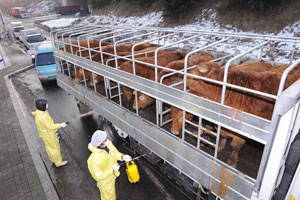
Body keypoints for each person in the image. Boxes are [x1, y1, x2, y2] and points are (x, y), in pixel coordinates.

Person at [87, 130, 132, 200]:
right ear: (99, 144)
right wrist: (112, 170)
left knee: (112, 192)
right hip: (105, 182)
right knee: (108, 197)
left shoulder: (108, 144)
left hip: (113, 176)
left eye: (106, 138)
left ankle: (113, 196)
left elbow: (114, 153)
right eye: (105, 140)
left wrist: (122, 157)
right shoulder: (94, 159)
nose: (108, 141)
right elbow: (98, 176)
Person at [32, 99, 68, 167]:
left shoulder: (41, 112)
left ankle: (54, 160)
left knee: (49, 148)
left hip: (46, 134)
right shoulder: (42, 116)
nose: (47, 105)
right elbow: (50, 126)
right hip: (49, 134)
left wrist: (55, 131)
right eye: (45, 105)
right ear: (42, 106)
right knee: (55, 149)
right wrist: (61, 125)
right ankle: (59, 163)